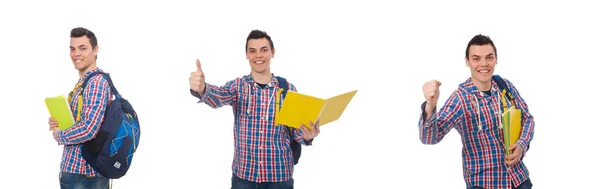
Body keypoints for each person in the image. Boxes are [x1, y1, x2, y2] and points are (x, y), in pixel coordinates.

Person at [189, 29, 320, 189]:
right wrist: (202, 88)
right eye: (252, 51)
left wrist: (307, 136)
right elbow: (218, 96)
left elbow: (296, 132)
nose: (258, 55)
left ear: (272, 52)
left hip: (279, 178)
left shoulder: (288, 89)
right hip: (244, 177)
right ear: (247, 55)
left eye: (264, 50)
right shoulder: (237, 86)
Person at [418, 34, 535, 189]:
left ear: (496, 59)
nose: (484, 64)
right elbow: (429, 138)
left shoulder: (505, 86)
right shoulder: (460, 98)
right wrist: (430, 105)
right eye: (476, 58)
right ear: (467, 61)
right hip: (483, 183)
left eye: (489, 57)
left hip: (519, 180)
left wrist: (521, 144)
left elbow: (527, 119)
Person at [48, 27, 112, 189]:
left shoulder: (96, 83)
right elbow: (81, 121)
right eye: (72, 49)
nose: (76, 54)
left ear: (95, 50)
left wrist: (59, 135)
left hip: (84, 173)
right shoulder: (84, 82)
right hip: (78, 171)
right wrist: (58, 122)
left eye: (83, 48)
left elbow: (89, 129)